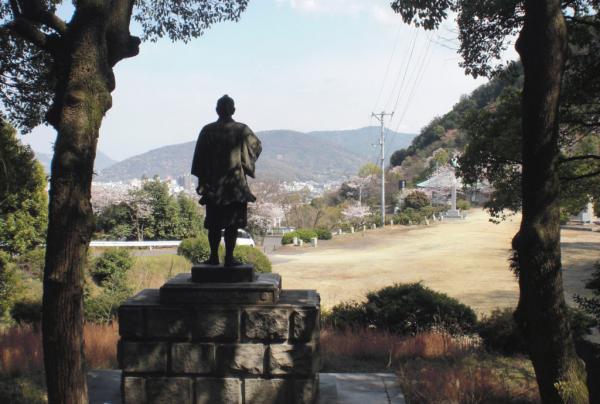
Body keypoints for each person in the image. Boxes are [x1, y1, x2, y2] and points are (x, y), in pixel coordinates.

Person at [191, 95, 262, 266]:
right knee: (232, 225)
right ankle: (229, 257)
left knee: (214, 223)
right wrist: (245, 161)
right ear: (233, 110)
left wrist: (202, 181)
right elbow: (256, 146)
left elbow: (199, 160)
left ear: (217, 110)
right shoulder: (242, 130)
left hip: (214, 184)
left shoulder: (207, 130)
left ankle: (214, 256)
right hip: (234, 184)